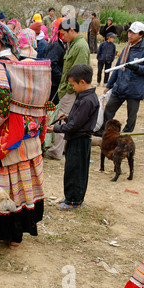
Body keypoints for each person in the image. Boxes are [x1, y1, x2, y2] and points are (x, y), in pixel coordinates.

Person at [0, 18, 49, 246]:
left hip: (5, 143)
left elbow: (2, 108)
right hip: (27, 140)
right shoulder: (18, 62)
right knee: (20, 188)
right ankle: (15, 236)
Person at [47, 65, 99, 210]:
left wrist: (54, 128)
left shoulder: (87, 100)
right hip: (77, 139)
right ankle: (72, 198)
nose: (72, 87)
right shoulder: (85, 96)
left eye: (73, 84)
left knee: (75, 171)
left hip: (79, 140)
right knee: (74, 170)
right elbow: (78, 120)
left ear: (82, 82)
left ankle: (73, 202)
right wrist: (67, 117)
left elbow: (75, 126)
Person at [45, 18, 90, 160]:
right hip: (68, 89)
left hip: (70, 91)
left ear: (71, 30)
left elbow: (79, 72)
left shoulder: (80, 46)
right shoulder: (74, 44)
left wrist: (69, 89)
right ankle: (61, 149)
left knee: (62, 121)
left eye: (63, 34)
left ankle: (56, 152)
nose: (62, 37)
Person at [101, 21, 144, 134]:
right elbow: (118, 67)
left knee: (131, 116)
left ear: (141, 34)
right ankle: (105, 131)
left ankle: (126, 134)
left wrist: (137, 68)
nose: (130, 35)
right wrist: (109, 85)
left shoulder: (143, 50)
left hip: (134, 89)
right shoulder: (127, 47)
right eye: (129, 32)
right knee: (109, 110)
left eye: (133, 33)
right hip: (120, 86)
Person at [45, 18, 66, 105]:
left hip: (54, 82)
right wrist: (61, 78)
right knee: (52, 108)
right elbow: (52, 64)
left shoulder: (58, 42)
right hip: (54, 84)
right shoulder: (56, 45)